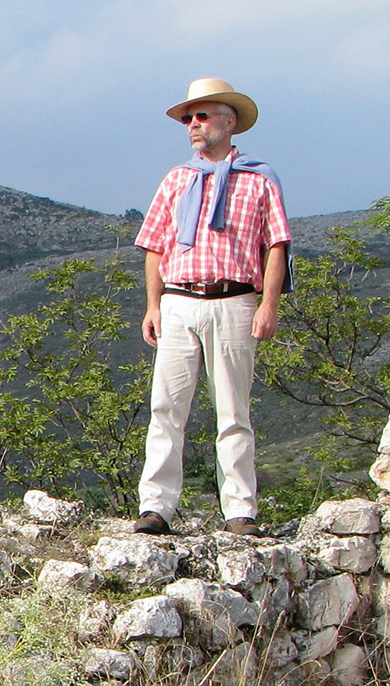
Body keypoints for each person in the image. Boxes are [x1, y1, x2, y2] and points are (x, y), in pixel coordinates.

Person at [130, 78, 291, 538]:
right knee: (166, 406)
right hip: (179, 300)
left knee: (233, 411)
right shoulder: (177, 179)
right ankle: (156, 506)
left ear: (229, 120)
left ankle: (240, 509)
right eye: (188, 118)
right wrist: (153, 304)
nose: (193, 126)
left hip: (235, 300)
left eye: (201, 116)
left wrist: (269, 305)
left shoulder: (260, 180)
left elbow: (275, 245)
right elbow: (155, 247)